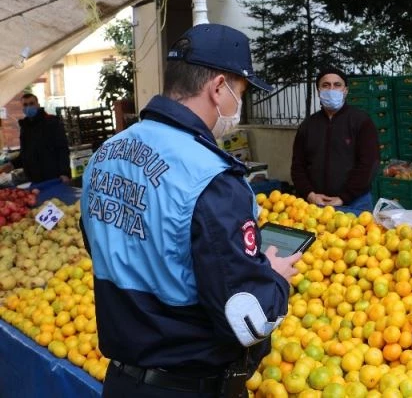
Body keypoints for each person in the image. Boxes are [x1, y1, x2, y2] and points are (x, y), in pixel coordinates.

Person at [80, 23, 300, 398]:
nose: (238, 105)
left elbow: (106, 246)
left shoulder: (105, 155)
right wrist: (275, 279)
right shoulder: (212, 178)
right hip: (188, 386)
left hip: (121, 382)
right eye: (241, 92)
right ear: (218, 87)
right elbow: (246, 319)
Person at [291, 67, 379, 214]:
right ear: (318, 91)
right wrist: (309, 194)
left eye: (337, 85)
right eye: (326, 85)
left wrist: (344, 197)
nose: (331, 89)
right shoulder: (307, 126)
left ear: (345, 90)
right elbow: (298, 166)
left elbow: (369, 164)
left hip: (355, 204)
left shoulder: (361, 121)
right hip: (315, 206)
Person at [0, 93, 71, 184]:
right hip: (34, 178)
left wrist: (64, 173)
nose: (29, 107)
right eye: (25, 105)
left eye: (31, 103)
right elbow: (25, 154)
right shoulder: (25, 127)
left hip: (54, 177)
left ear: (38, 105)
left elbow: (62, 149)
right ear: (23, 108)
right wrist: (12, 164)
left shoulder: (51, 122)